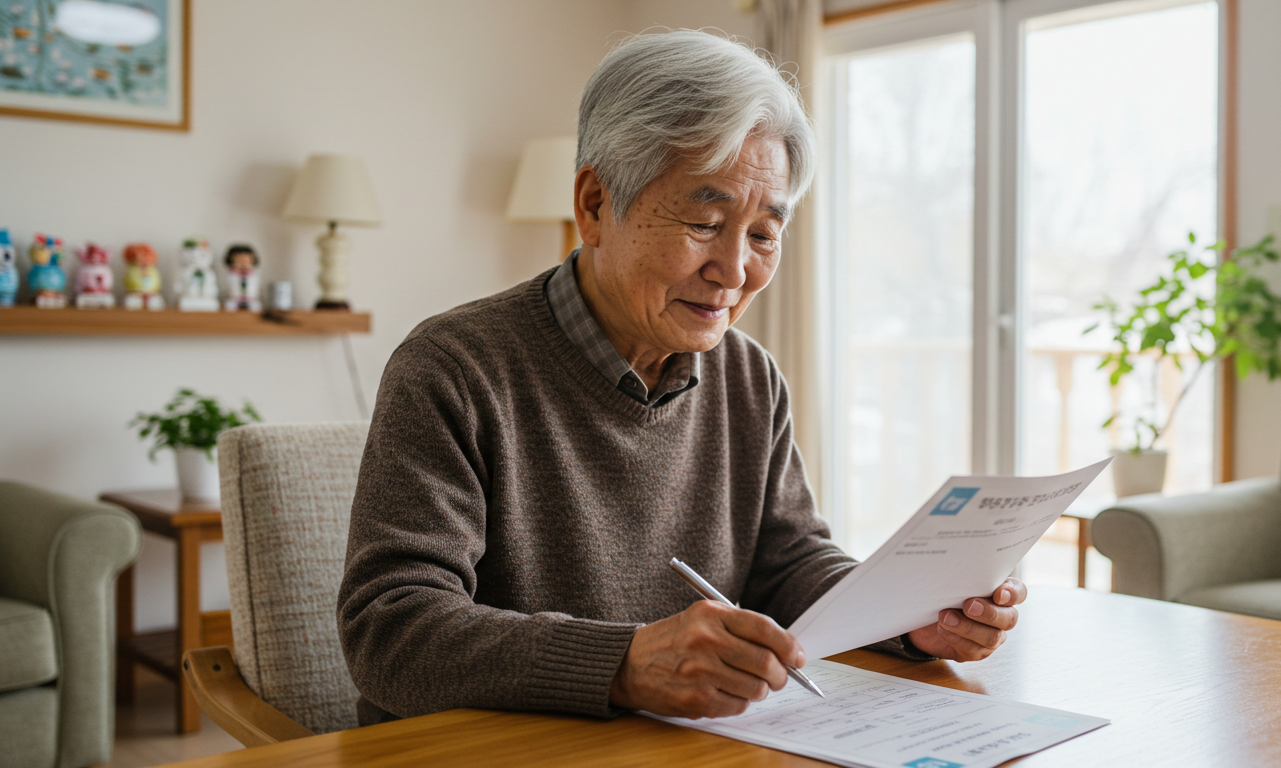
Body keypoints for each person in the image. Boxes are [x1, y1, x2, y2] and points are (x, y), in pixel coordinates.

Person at [337, 29, 1026, 726]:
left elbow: (788, 563)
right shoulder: (453, 368)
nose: (734, 271)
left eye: (763, 234)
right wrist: (624, 664)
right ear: (595, 204)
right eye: (704, 221)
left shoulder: (749, 377)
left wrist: (908, 619)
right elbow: (389, 631)